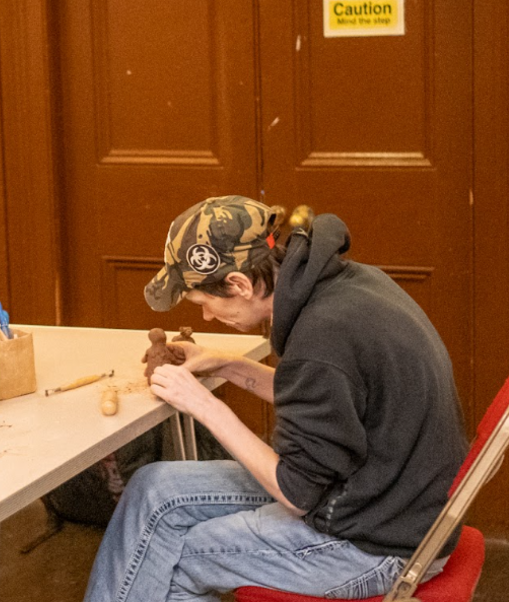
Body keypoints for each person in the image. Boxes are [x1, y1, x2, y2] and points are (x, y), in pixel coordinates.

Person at [84, 195, 468, 601]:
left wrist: (204, 405)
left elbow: (297, 493)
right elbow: (330, 400)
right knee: (153, 487)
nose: (207, 318)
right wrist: (227, 365)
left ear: (240, 284)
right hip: (378, 496)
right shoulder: (346, 284)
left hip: (378, 543)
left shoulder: (322, 336)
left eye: (205, 303)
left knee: (179, 557)